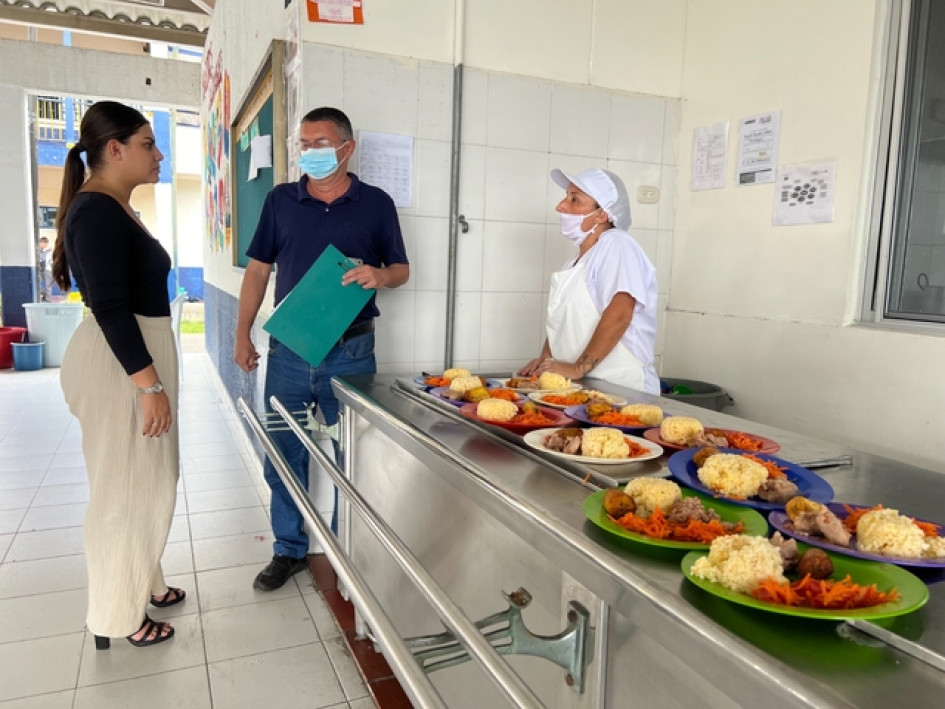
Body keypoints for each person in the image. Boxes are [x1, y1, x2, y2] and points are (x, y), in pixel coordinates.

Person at [235, 107, 409, 592]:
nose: (310, 152)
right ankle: (288, 549)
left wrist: (380, 275)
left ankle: (344, 550)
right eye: (303, 144)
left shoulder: (376, 204)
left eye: (320, 143)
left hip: (352, 352)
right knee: (283, 453)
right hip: (289, 352)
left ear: (347, 148)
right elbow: (257, 271)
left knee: (353, 456)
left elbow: (402, 269)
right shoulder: (280, 201)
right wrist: (241, 333)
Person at [53, 101, 182, 650]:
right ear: (115, 149)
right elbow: (109, 308)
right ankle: (116, 613)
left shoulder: (115, 206)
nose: (159, 154)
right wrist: (148, 386)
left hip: (134, 355)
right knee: (124, 491)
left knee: (149, 480)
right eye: (149, 144)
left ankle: (142, 583)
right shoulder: (96, 211)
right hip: (121, 364)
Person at [519, 168, 659, 394]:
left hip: (621, 387)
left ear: (602, 214)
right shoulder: (573, 263)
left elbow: (621, 313)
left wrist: (578, 368)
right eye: (566, 197)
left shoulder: (617, 244)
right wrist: (545, 360)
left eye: (574, 200)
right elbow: (561, 323)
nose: (561, 206)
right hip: (584, 387)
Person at [37, 236, 53, 301]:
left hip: (47, 270)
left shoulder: (50, 251)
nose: (40, 244)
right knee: (37, 283)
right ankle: (43, 293)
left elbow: (45, 260)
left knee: (48, 286)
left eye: (41, 243)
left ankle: (48, 300)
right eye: (40, 243)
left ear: (46, 243)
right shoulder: (38, 251)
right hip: (40, 269)